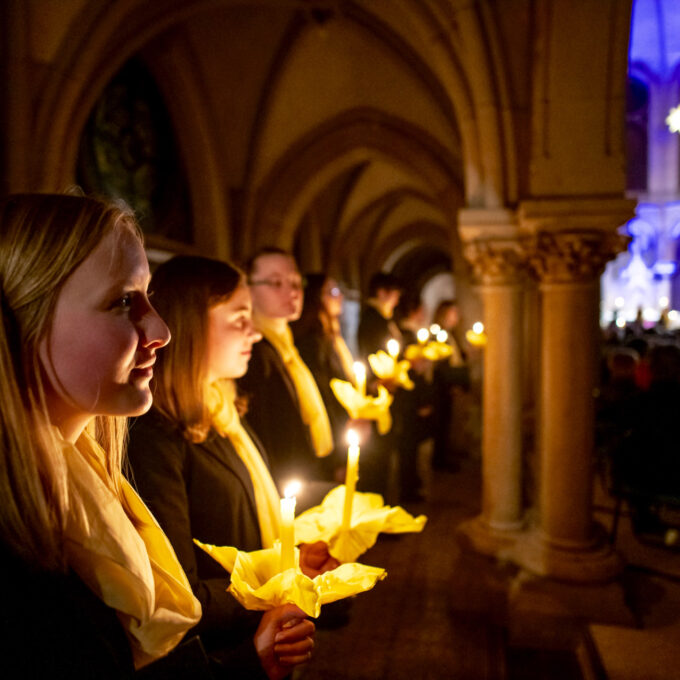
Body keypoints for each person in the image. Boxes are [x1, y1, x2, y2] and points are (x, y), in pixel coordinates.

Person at [0, 193, 202, 678]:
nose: (161, 329)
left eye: (148, 297)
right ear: (24, 320)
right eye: (124, 301)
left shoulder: (90, 481)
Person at [127, 255, 324, 679]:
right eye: (239, 319)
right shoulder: (156, 437)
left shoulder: (224, 412)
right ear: (191, 324)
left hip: (260, 640)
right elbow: (181, 595)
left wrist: (295, 554)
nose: (253, 332)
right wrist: (277, 581)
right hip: (218, 660)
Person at [238, 248, 334, 496]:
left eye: (294, 281)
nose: (292, 291)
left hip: (307, 469)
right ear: (248, 289)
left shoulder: (287, 343)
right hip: (284, 483)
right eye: (275, 282)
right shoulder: (252, 353)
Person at [290, 273, 355, 480]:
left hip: (342, 426)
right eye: (332, 292)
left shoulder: (330, 333)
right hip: (332, 437)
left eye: (339, 291)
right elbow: (324, 394)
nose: (340, 297)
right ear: (316, 297)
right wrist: (337, 456)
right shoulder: (312, 339)